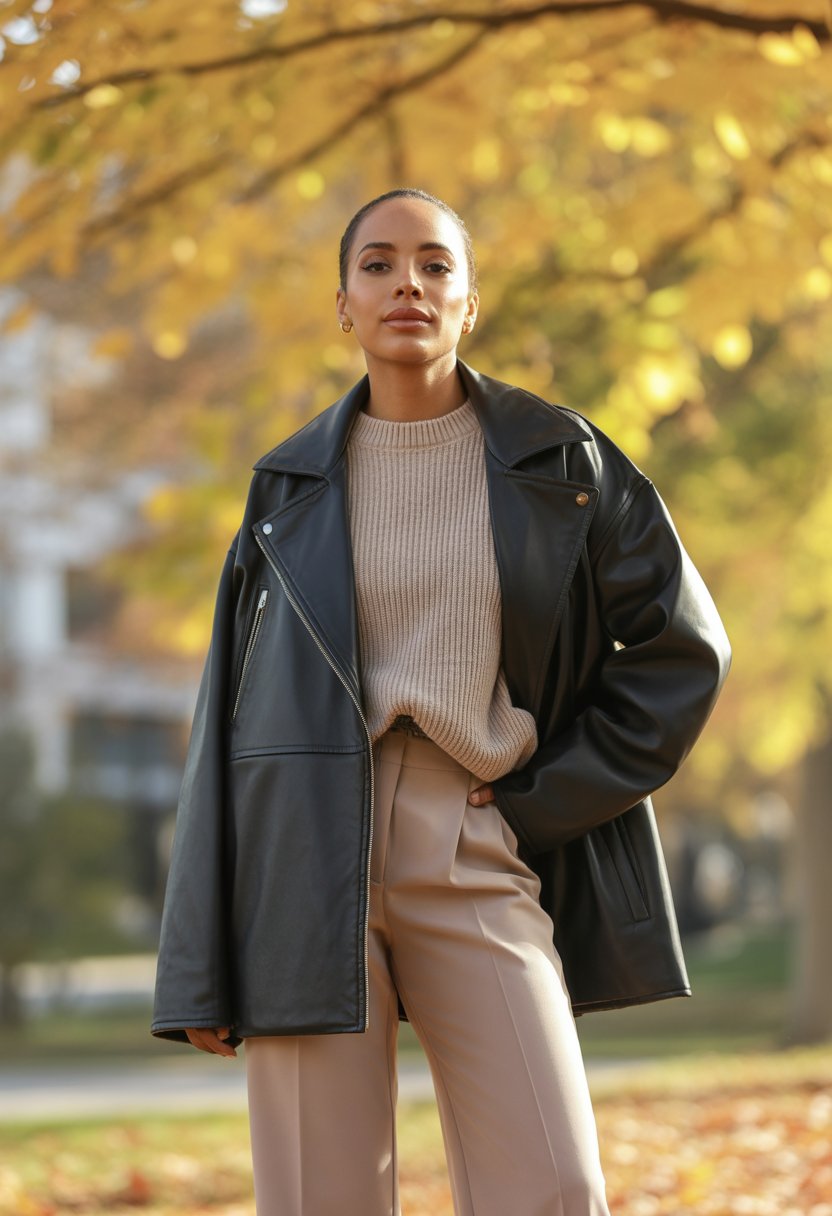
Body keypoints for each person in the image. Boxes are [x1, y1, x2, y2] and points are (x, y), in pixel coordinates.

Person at [151, 188, 731, 1215]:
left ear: (468, 303)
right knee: (317, 1196)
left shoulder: (565, 461)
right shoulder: (286, 487)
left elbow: (681, 651)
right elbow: (224, 717)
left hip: (473, 830)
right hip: (297, 852)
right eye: (376, 264)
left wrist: (541, 800)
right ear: (343, 304)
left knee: (550, 1183)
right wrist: (199, 954)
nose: (405, 283)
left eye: (433, 264)